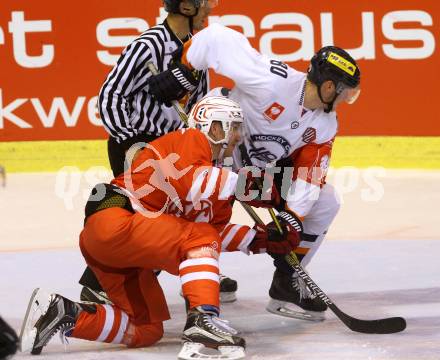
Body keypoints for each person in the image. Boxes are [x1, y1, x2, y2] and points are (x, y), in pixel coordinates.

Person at [19, 96, 300, 359]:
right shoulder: (191, 139)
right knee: (198, 236)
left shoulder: (216, 184)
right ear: (214, 126)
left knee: (146, 330)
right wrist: (253, 186)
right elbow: (195, 183)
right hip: (117, 218)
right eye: (234, 127)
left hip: (118, 245)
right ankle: (204, 319)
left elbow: (207, 240)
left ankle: (62, 313)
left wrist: (259, 239)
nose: (239, 136)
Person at [148, 23, 361, 321]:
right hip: (210, 158)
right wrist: (184, 71)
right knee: (185, 217)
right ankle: (150, 276)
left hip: (249, 178)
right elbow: (217, 37)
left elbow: (310, 174)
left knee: (326, 201)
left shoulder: (325, 124)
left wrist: (291, 219)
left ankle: (286, 282)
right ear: (328, 87)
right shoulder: (272, 79)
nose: (345, 100)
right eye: (345, 93)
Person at [80, 0, 239, 305]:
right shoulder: (148, 45)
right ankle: (101, 283)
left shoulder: (196, 48)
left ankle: (195, 264)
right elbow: (110, 94)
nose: (210, 9)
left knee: (188, 210)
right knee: (146, 220)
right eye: (205, 3)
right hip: (138, 145)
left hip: (172, 148)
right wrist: (132, 144)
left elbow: (198, 104)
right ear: (188, 7)